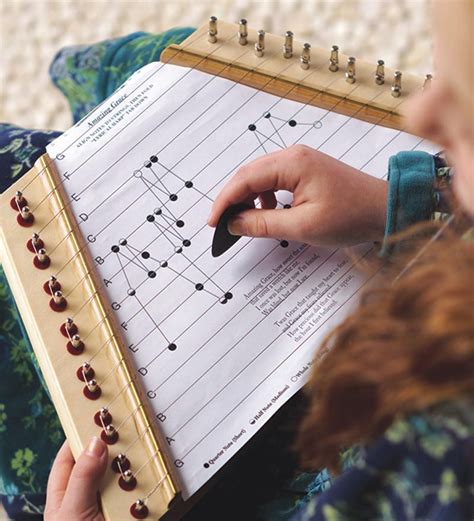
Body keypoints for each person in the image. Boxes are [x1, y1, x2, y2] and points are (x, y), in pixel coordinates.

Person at [2, 2, 473, 520]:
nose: (422, 113)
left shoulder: (438, 472)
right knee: (147, 69)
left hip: (270, 473)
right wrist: (403, 202)